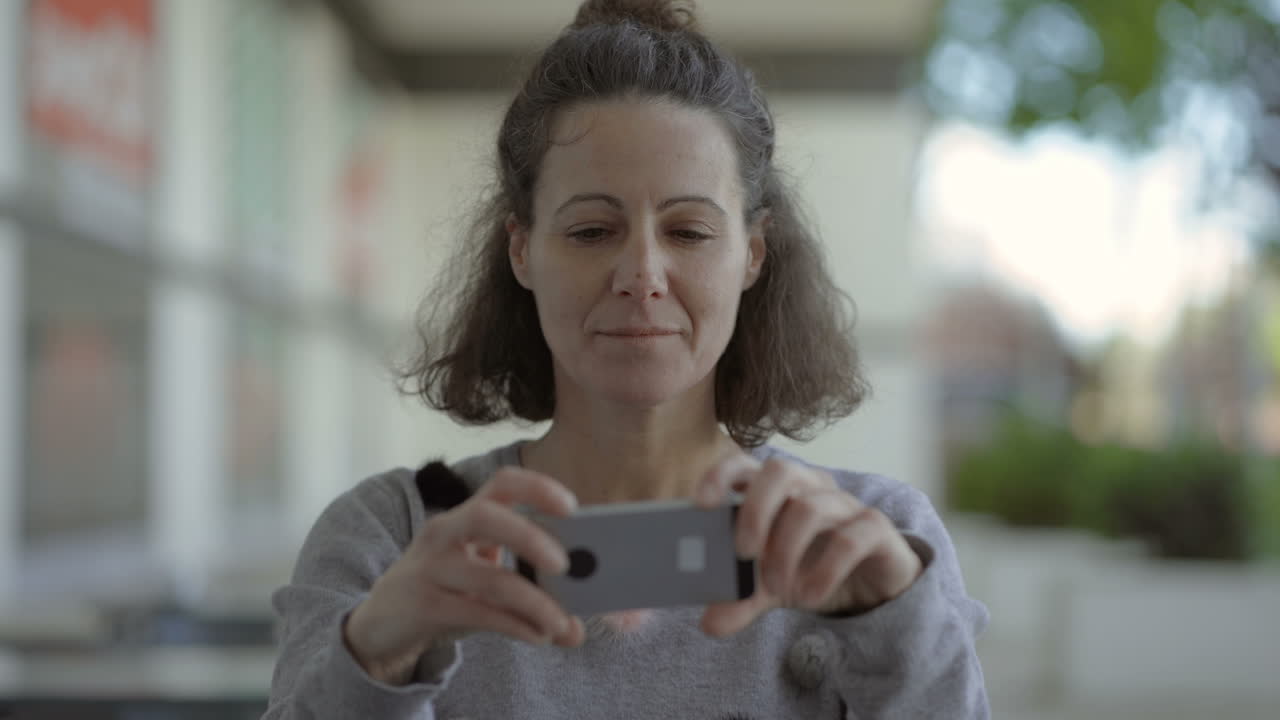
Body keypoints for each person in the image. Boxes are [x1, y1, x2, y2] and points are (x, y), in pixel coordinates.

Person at [264, 0, 989, 717]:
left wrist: (898, 626)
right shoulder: (391, 539)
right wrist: (374, 660)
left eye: (689, 231)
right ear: (522, 249)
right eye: (590, 230)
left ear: (753, 254)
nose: (642, 273)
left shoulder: (873, 543)